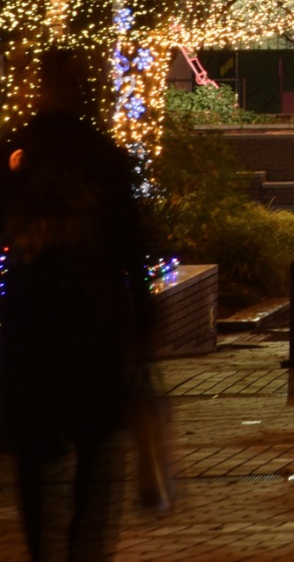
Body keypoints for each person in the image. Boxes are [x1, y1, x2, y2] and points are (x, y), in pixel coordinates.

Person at [0, 54, 149, 562]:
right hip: (90, 321)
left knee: (35, 455)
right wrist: (142, 326)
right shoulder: (102, 155)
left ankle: (45, 548)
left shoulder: (18, 154)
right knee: (90, 449)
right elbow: (132, 246)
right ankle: (76, 548)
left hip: (33, 323)